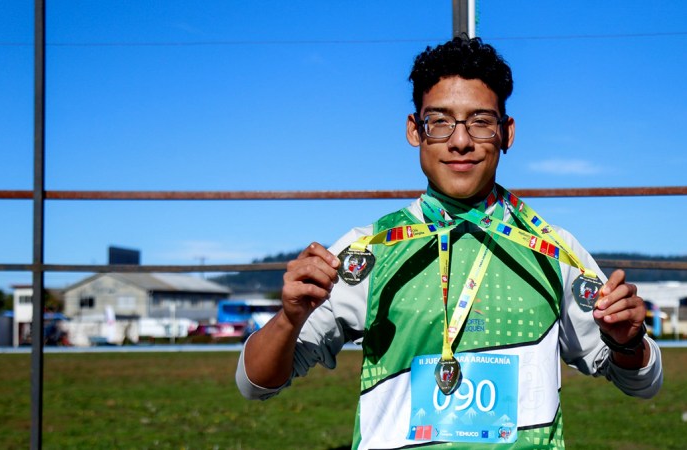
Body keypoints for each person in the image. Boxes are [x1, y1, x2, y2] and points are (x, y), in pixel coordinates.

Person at [237, 36, 663, 449]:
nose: (460, 141)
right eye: (439, 121)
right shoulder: (367, 252)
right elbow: (254, 383)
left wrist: (627, 342)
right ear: (414, 130)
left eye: (481, 121)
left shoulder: (554, 250)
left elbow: (641, 382)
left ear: (507, 133)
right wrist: (289, 319)